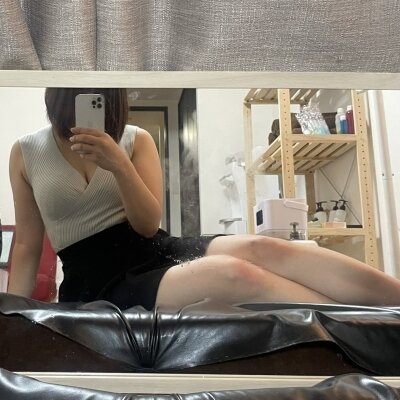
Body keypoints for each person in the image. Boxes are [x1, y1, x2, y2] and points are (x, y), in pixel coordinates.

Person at [7, 88, 400, 311]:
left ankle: (391, 305)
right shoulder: (26, 152)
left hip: (151, 248)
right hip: (96, 281)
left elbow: (147, 225)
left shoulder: (134, 139)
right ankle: (351, 324)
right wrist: (12, 319)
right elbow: (25, 245)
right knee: (234, 274)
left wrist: (120, 166)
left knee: (264, 247)